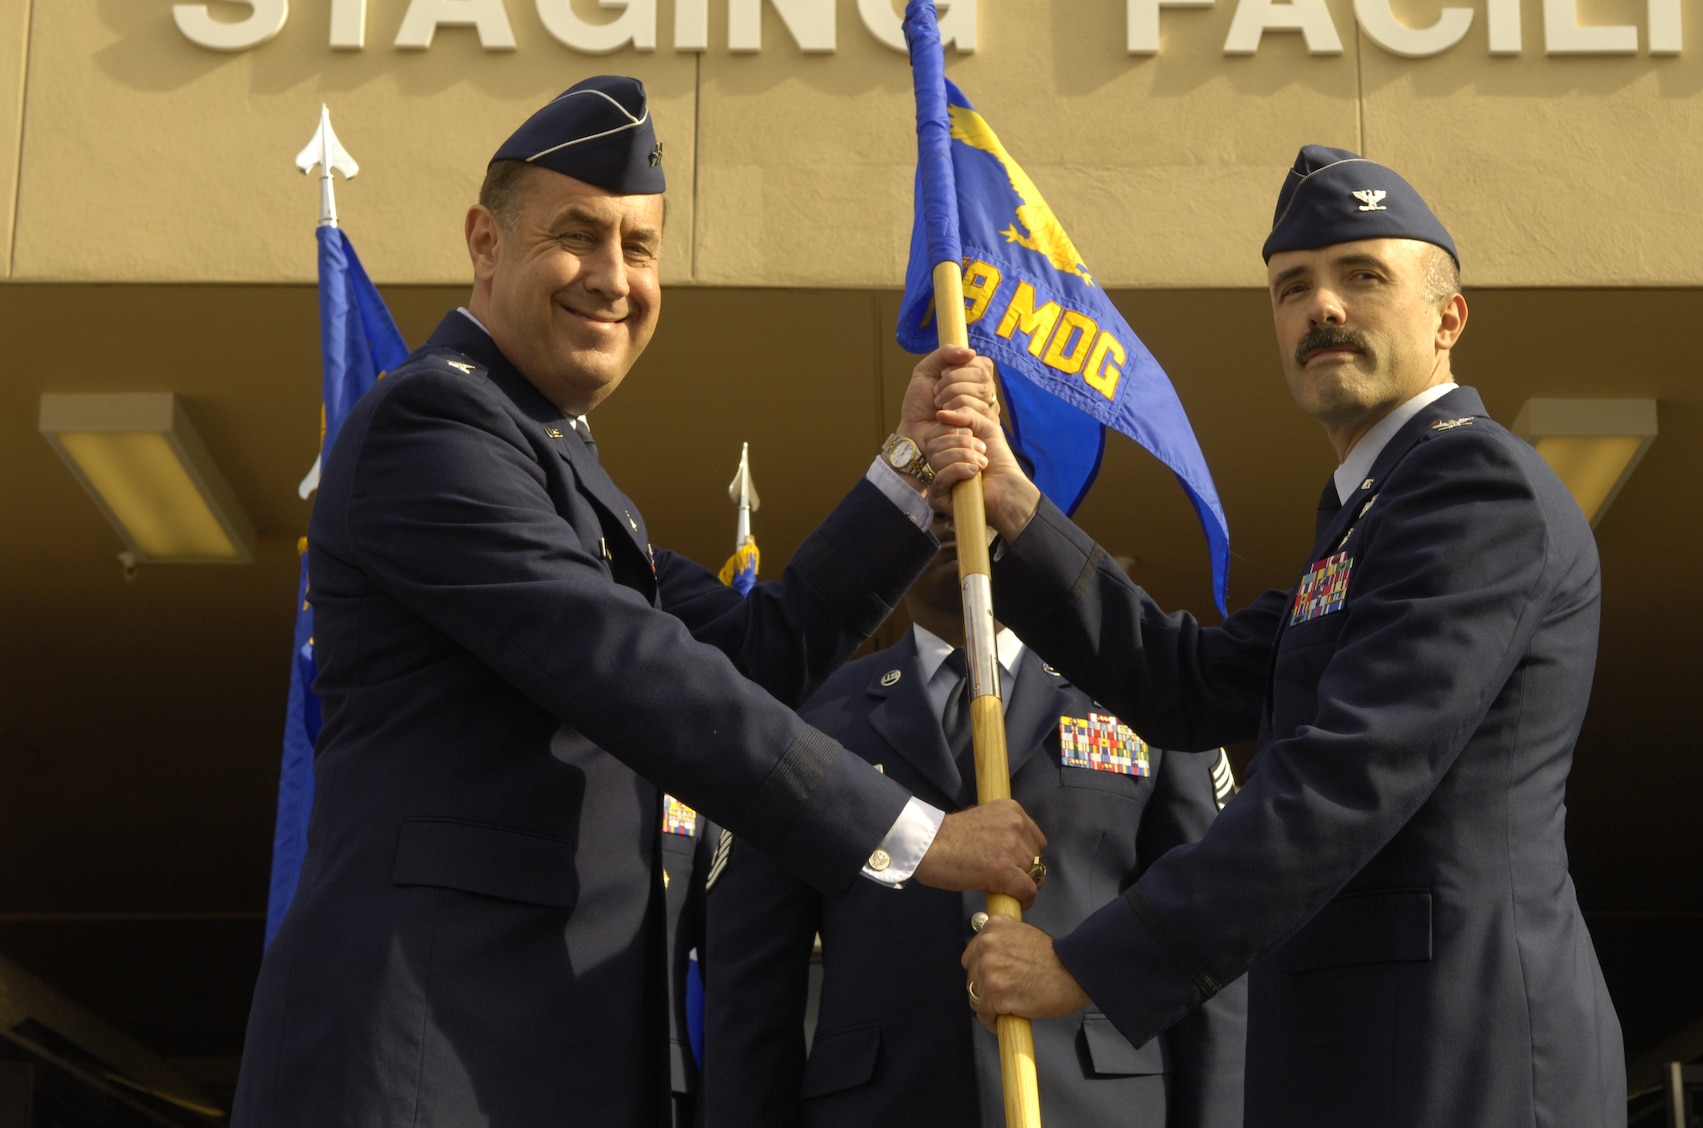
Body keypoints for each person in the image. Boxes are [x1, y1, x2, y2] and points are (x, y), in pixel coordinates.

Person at [233, 76, 1045, 1128]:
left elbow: (756, 651)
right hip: (425, 1062)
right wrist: (915, 836)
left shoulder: (559, 469)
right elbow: (635, 672)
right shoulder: (429, 427)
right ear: (484, 242)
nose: (614, 278)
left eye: (640, 246)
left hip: (536, 1060)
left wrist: (906, 465)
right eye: (578, 236)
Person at [955, 146, 1626, 1127]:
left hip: (1458, 1054)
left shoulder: (1472, 493)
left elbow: (1343, 779)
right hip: (1367, 1048)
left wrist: (1086, 960)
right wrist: (1015, 506)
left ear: (1447, 318)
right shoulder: (1372, 514)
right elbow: (1183, 680)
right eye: (1292, 287)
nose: (1321, 307)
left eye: (1361, 275)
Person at [700, 514, 1249, 1128]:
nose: (955, 518)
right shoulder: (810, 719)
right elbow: (751, 986)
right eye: (931, 507)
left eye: (977, 498)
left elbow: (1213, 946)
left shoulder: (1143, 693)